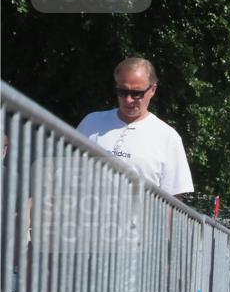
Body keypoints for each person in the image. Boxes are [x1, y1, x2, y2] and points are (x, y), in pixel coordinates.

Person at [77, 57, 194, 198]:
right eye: (122, 92)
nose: (128, 100)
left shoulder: (168, 137)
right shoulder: (91, 122)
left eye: (136, 93)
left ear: (153, 89)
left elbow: (174, 200)